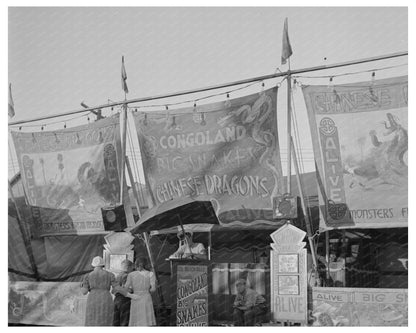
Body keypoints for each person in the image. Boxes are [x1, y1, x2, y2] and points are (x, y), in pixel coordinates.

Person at [81, 256, 116, 326]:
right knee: (105, 318)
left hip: (93, 298)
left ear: (93, 264)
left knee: (92, 318)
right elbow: (116, 289)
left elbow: (84, 292)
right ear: (103, 264)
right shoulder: (110, 275)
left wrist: (81, 286)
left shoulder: (88, 276)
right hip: (106, 298)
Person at [124, 257, 156, 326]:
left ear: (136, 264)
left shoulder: (131, 275)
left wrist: (132, 291)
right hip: (146, 297)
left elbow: (125, 288)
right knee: (146, 320)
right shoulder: (151, 274)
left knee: (135, 320)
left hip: (135, 298)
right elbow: (153, 289)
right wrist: (148, 290)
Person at [112, 259, 134, 326]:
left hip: (116, 300)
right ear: (128, 267)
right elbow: (128, 289)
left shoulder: (117, 276)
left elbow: (113, 290)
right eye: (132, 267)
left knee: (115, 322)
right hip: (124, 300)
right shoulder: (127, 276)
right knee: (124, 322)